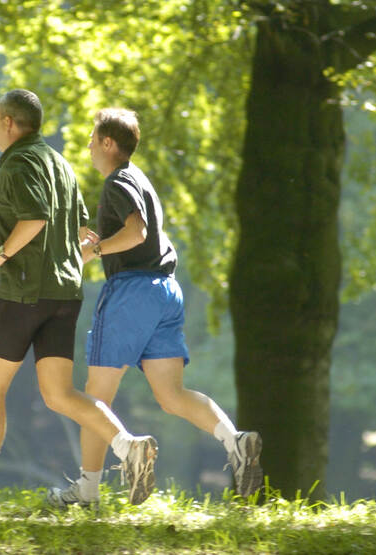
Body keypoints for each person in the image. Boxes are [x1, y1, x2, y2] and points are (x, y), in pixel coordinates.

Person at [0, 91, 158, 515]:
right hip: (64, 293)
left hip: (24, 292)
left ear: (6, 122)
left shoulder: (19, 163)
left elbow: (35, 219)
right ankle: (128, 447)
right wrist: (8, 231)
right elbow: (76, 231)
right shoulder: (59, 163)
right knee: (59, 394)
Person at [47, 108, 263, 509]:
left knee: (96, 397)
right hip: (166, 290)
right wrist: (98, 242)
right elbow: (139, 232)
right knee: (172, 394)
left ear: (109, 143)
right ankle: (235, 442)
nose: (89, 147)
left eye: (93, 140)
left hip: (132, 291)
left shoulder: (116, 182)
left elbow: (137, 232)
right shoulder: (139, 179)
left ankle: (88, 491)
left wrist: (93, 250)